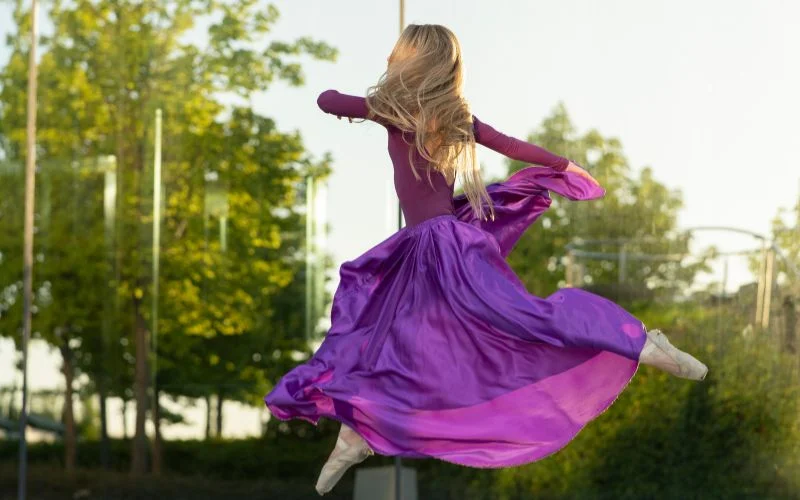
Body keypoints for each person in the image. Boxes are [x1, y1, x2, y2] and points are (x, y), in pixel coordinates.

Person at [264, 24, 708, 496]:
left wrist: (357, 103)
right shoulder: (456, 117)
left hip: (442, 247)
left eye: (400, 53)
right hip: (426, 249)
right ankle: (355, 435)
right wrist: (564, 165)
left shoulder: (394, 111)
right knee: (395, 340)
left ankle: (638, 340)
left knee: (516, 317)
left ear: (415, 60)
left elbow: (326, 100)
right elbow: (513, 147)